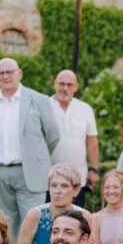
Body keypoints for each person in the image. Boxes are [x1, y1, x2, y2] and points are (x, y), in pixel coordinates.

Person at [0, 57, 61, 242]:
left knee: (34, 222)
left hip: (30, 171)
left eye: (10, 72)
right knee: (7, 225)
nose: (6, 76)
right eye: (1, 73)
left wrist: (34, 155)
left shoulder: (38, 100)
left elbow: (53, 135)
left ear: (20, 74)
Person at [15, 163, 93, 244]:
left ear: (76, 190)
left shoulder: (84, 217)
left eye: (64, 186)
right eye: (53, 186)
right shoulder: (35, 215)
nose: (57, 191)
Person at [49, 70, 99, 208]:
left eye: (69, 85)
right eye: (62, 84)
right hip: (49, 179)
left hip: (77, 178)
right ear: (55, 84)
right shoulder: (44, 106)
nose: (65, 88)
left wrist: (94, 169)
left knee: (75, 219)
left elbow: (92, 142)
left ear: (76, 87)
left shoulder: (85, 109)